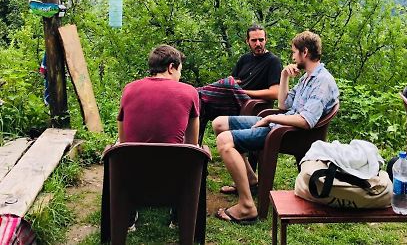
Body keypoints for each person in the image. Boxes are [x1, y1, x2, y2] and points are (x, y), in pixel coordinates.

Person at [212, 30, 339, 223]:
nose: (292, 56)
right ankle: (252, 180)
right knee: (219, 123)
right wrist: (284, 76)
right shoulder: (307, 77)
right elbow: (283, 105)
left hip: (288, 134)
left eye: (294, 52)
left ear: (304, 52)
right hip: (279, 125)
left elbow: (306, 121)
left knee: (224, 141)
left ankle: (247, 207)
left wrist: (273, 120)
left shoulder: (322, 81)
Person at [117, 44, 199, 230]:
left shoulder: (129, 89)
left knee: (121, 149)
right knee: (192, 154)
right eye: (180, 70)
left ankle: (129, 214)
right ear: (171, 67)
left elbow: (123, 141)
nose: (180, 76)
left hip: (134, 174)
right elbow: (192, 144)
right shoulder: (189, 92)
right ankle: (178, 216)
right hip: (173, 177)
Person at [197, 24, 282, 141]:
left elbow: (275, 93)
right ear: (247, 41)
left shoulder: (273, 61)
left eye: (261, 40)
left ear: (266, 40)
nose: (258, 43)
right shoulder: (244, 59)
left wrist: (243, 90)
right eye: (254, 40)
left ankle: (194, 92)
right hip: (233, 101)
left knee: (228, 83)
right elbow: (234, 80)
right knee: (202, 104)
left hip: (251, 104)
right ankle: (196, 149)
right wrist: (233, 84)